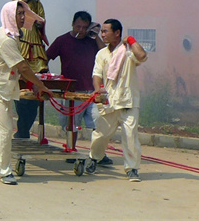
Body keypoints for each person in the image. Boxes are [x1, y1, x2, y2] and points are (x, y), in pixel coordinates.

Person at [0, 1, 54, 185]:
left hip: (3, 90)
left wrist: (35, 84)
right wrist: (40, 85)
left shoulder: (13, 35)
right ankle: (5, 171)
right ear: (8, 15)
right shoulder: (5, 38)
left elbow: (20, 66)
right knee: (4, 131)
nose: (22, 17)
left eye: (23, 13)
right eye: (18, 13)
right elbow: (22, 66)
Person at [86, 19, 148, 182]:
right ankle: (94, 158)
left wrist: (131, 41)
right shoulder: (102, 54)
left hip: (128, 101)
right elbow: (97, 74)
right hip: (109, 101)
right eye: (102, 31)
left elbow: (142, 56)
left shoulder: (128, 53)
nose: (103, 34)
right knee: (101, 134)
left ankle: (132, 168)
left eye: (106, 31)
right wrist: (98, 88)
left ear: (117, 33)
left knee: (130, 135)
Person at [46, 12, 104, 135]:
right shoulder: (62, 41)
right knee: (70, 126)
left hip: (92, 91)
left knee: (98, 125)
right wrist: (48, 77)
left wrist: (95, 35)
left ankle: (96, 154)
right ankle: (70, 150)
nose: (81, 30)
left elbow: (105, 53)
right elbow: (46, 58)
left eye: (84, 27)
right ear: (72, 24)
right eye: (78, 26)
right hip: (72, 91)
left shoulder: (92, 41)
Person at [14, 0, 49, 139]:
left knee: (34, 93)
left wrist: (36, 20)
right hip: (20, 40)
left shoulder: (37, 4)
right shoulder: (14, 3)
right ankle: (22, 129)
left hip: (34, 40)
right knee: (20, 95)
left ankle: (24, 130)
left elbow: (41, 21)